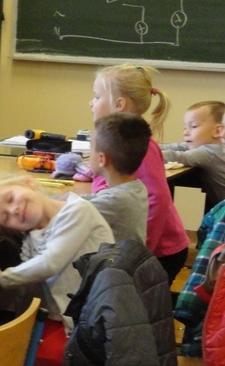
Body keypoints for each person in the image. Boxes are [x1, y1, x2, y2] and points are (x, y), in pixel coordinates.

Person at [0, 174, 114, 366]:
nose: (14, 210)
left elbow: (49, 263)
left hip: (95, 327)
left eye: (10, 198)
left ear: (27, 183)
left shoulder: (78, 211)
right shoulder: (34, 233)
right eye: (6, 217)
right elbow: (29, 286)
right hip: (65, 321)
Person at [89, 63, 190, 282]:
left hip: (159, 251)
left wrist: (140, 253)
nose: (91, 103)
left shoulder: (142, 147)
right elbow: (116, 175)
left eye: (97, 97)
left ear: (119, 104)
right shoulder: (119, 141)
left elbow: (156, 199)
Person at [83, 113, 151, 245]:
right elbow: (93, 198)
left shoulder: (115, 200)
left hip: (114, 259)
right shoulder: (135, 188)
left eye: (91, 148)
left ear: (102, 159)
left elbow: (67, 214)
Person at [160, 100, 225, 207]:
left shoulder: (209, 153)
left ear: (217, 131)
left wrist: (146, 153)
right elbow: (176, 146)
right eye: (185, 127)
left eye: (194, 126)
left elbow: (177, 156)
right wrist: (149, 145)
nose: (185, 132)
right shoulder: (214, 147)